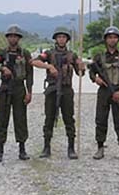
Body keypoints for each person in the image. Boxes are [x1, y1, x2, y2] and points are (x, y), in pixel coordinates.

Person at [32, 27, 85, 159]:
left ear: (67, 39)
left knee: (69, 118)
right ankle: (46, 147)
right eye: (59, 37)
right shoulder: (49, 53)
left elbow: (81, 74)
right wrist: (49, 66)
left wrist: (81, 66)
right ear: (55, 39)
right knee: (49, 118)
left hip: (66, 90)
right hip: (52, 89)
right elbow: (34, 62)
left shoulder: (72, 55)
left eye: (64, 37)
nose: (61, 39)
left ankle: (71, 147)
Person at [0, 24, 34, 162]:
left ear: (19, 38)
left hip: (19, 88)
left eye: (15, 36)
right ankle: (0, 150)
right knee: (2, 118)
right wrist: (2, 69)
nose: (13, 38)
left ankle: (22, 149)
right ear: (7, 38)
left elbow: (30, 74)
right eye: (10, 36)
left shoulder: (25, 54)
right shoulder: (2, 53)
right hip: (6, 88)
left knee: (20, 119)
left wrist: (29, 92)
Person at [88, 26, 119, 160]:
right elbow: (91, 71)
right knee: (101, 120)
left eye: (114, 37)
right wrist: (96, 79)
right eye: (109, 37)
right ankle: (100, 147)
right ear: (106, 40)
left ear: (118, 39)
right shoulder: (99, 56)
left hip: (118, 91)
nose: (112, 40)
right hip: (104, 92)